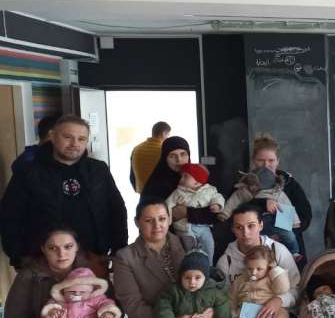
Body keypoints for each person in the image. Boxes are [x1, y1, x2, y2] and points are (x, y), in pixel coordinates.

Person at [1, 114, 128, 269]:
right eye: (67, 137)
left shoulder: (98, 169)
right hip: (43, 261)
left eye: (81, 139)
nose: (75, 144)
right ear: (52, 136)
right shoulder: (28, 172)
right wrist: (18, 256)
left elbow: (117, 210)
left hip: (94, 258)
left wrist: (119, 249)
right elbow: (10, 215)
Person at [141, 136, 218, 247]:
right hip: (168, 244)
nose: (179, 160)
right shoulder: (155, 185)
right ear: (165, 158)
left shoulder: (199, 177)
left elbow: (216, 214)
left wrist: (187, 212)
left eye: (183, 154)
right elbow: (150, 219)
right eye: (172, 155)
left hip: (204, 241)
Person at [247, 135, 314, 257]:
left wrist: (283, 233)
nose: (266, 165)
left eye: (271, 160)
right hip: (254, 249)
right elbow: (236, 213)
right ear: (253, 161)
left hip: (289, 249)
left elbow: (305, 216)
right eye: (260, 160)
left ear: (278, 161)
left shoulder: (289, 183)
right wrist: (264, 203)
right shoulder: (244, 184)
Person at [221, 166, 301, 255]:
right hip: (252, 224)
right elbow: (233, 202)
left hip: (276, 223)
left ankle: (294, 253)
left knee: (289, 235)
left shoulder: (278, 193)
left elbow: (286, 207)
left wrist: (294, 223)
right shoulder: (244, 192)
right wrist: (225, 214)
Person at [166, 162, 224, 258]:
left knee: (209, 244)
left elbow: (218, 197)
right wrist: (168, 219)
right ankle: (191, 262)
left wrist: (217, 204)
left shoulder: (209, 190)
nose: (181, 179)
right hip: (185, 227)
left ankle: (209, 264)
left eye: (185, 176)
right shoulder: (178, 192)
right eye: (181, 176)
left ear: (197, 181)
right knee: (189, 249)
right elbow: (167, 205)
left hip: (204, 227)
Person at [130, 120, 171, 193]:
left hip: (143, 193)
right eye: (168, 135)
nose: (168, 138)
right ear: (163, 133)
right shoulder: (164, 150)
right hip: (161, 194)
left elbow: (132, 176)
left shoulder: (136, 149)